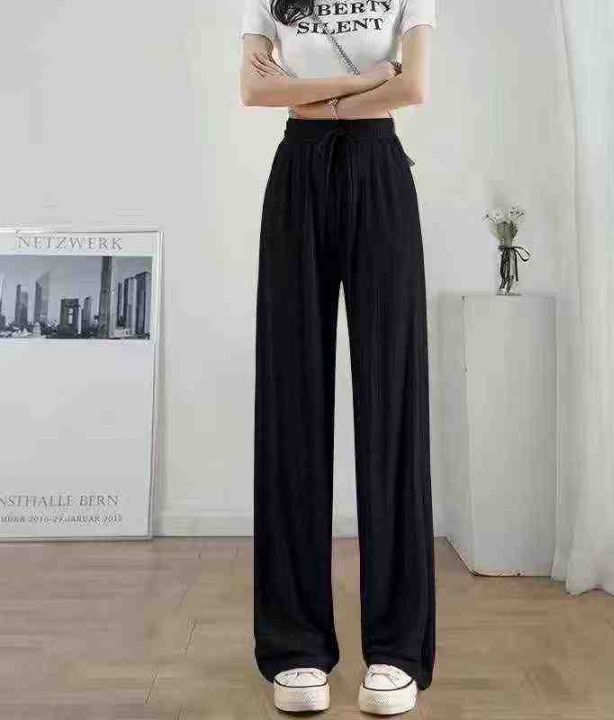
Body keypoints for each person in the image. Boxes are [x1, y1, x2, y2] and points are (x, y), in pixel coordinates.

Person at [240, 0, 436, 714]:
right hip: (297, 173)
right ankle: (295, 646)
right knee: (291, 400)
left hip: (380, 170)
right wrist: (367, 79)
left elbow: (413, 88)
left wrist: (308, 93)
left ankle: (395, 649)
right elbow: (254, 92)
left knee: (392, 401)